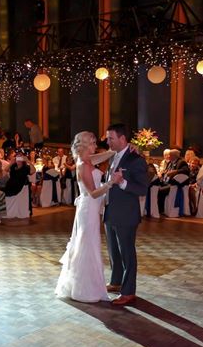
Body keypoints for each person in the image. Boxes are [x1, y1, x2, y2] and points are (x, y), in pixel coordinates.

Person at [56, 132, 116, 303]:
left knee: (89, 245)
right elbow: (94, 193)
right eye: (92, 143)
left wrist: (114, 151)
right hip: (88, 208)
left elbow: (100, 156)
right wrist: (112, 182)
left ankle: (87, 286)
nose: (95, 146)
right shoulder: (82, 164)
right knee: (88, 246)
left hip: (90, 209)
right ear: (83, 145)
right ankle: (85, 289)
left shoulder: (88, 160)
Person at [103, 124, 149, 305]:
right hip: (111, 211)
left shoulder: (135, 160)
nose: (107, 141)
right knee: (113, 250)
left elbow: (142, 188)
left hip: (126, 214)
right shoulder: (113, 155)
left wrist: (122, 183)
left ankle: (129, 291)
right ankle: (116, 281)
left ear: (122, 139)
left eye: (110, 138)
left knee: (127, 253)